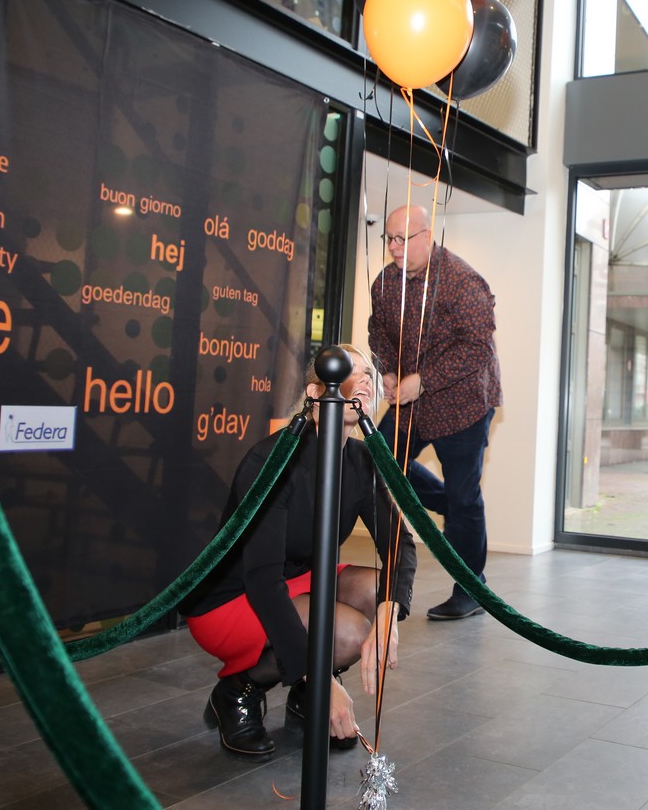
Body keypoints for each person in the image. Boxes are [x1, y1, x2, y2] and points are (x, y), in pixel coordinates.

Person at [181, 345, 417, 761]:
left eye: (369, 373)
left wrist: (388, 614)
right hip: (233, 597)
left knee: (378, 590)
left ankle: (305, 697)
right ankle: (238, 689)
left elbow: (400, 544)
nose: (365, 379)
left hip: (295, 579)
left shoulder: (361, 458)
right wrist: (324, 680)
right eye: (350, 370)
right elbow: (261, 580)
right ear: (315, 392)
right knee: (349, 633)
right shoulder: (273, 460)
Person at [368, 204, 501, 621]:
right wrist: (388, 370)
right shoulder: (385, 282)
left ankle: (471, 589)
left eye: (401, 239)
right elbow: (378, 331)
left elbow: (477, 349)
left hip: (463, 405)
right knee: (378, 459)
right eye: (389, 238)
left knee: (465, 496)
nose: (393, 247)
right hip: (410, 401)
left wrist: (422, 380)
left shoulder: (463, 281)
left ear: (427, 236)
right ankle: (449, 503)